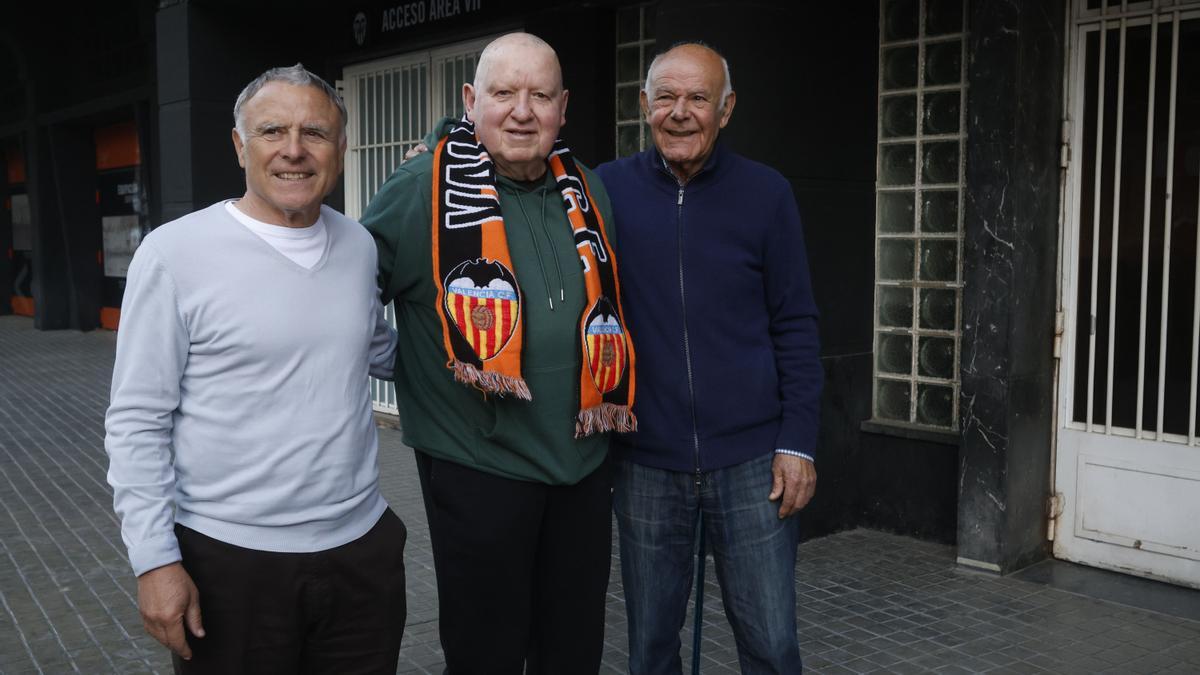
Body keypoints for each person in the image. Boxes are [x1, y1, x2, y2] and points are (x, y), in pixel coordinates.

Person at [104, 64, 405, 673]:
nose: (294, 151)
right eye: (273, 131)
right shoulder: (173, 253)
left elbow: (377, 349)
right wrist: (156, 561)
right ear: (240, 145)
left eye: (315, 133)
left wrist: (490, 346)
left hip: (360, 552)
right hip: (229, 560)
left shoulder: (358, 245)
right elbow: (137, 420)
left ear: (341, 149)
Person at [359, 33, 635, 674]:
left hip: (582, 464)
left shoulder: (588, 189)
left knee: (573, 649)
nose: (522, 111)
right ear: (470, 100)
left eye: (539, 95)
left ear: (563, 108)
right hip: (478, 467)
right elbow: (344, 295)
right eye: (503, 92)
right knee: (486, 653)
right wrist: (407, 362)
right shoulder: (421, 187)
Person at [594, 42, 822, 674]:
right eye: (665, 96)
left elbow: (797, 324)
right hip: (646, 459)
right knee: (650, 646)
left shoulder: (767, 194)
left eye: (699, 98)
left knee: (771, 643)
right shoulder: (603, 193)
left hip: (754, 461)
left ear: (727, 110)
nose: (680, 112)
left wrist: (798, 442)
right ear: (644, 105)